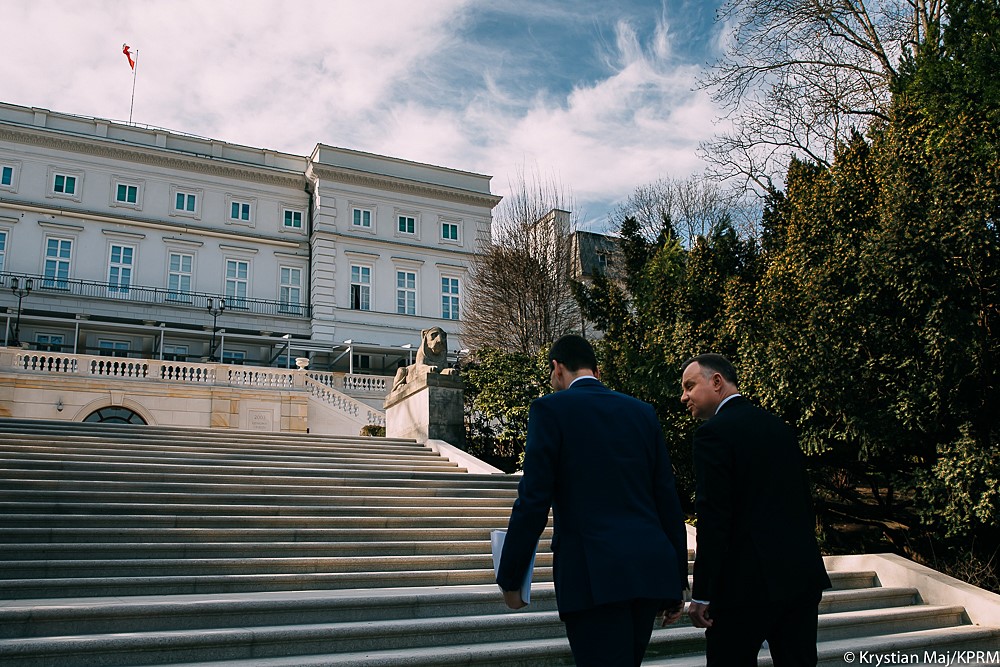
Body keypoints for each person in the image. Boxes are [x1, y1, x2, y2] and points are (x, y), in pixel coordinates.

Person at [497, 334, 687, 667]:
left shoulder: (550, 409)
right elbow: (666, 499)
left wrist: (511, 578)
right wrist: (677, 582)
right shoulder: (642, 412)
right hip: (648, 569)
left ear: (557, 368)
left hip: (591, 573)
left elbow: (533, 500)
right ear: (597, 371)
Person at [680, 353, 832, 666]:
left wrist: (703, 593)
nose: (684, 397)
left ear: (717, 382)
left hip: (743, 588)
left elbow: (714, 518)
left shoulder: (712, 434)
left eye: (689, 386)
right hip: (801, 579)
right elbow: (804, 504)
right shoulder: (780, 428)